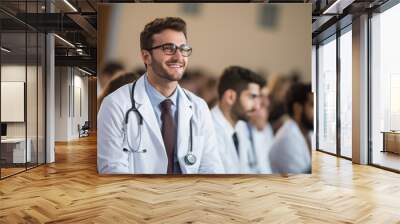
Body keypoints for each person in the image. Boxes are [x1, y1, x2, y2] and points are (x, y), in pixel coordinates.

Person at [97, 17, 224, 174]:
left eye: (183, 49)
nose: (179, 57)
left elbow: (211, 169)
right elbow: (113, 171)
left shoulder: (199, 107)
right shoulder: (116, 104)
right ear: (146, 57)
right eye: (169, 48)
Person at [211, 66, 265, 174]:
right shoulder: (208, 130)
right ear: (230, 97)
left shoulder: (241, 126)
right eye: (252, 97)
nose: (257, 107)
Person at [268, 83, 313, 174]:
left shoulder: (309, 133)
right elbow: (303, 182)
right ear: (297, 108)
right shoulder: (287, 139)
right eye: (312, 105)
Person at [238, 85, 274, 173]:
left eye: (267, 108)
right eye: (262, 106)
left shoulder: (266, 129)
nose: (265, 114)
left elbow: (266, 168)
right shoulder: (239, 129)